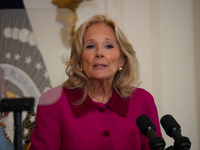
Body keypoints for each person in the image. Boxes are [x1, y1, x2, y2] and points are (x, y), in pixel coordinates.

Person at [30, 14, 162, 150]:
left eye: (108, 46)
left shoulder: (143, 101)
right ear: (80, 59)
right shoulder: (54, 103)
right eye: (90, 46)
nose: (99, 53)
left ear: (122, 60)